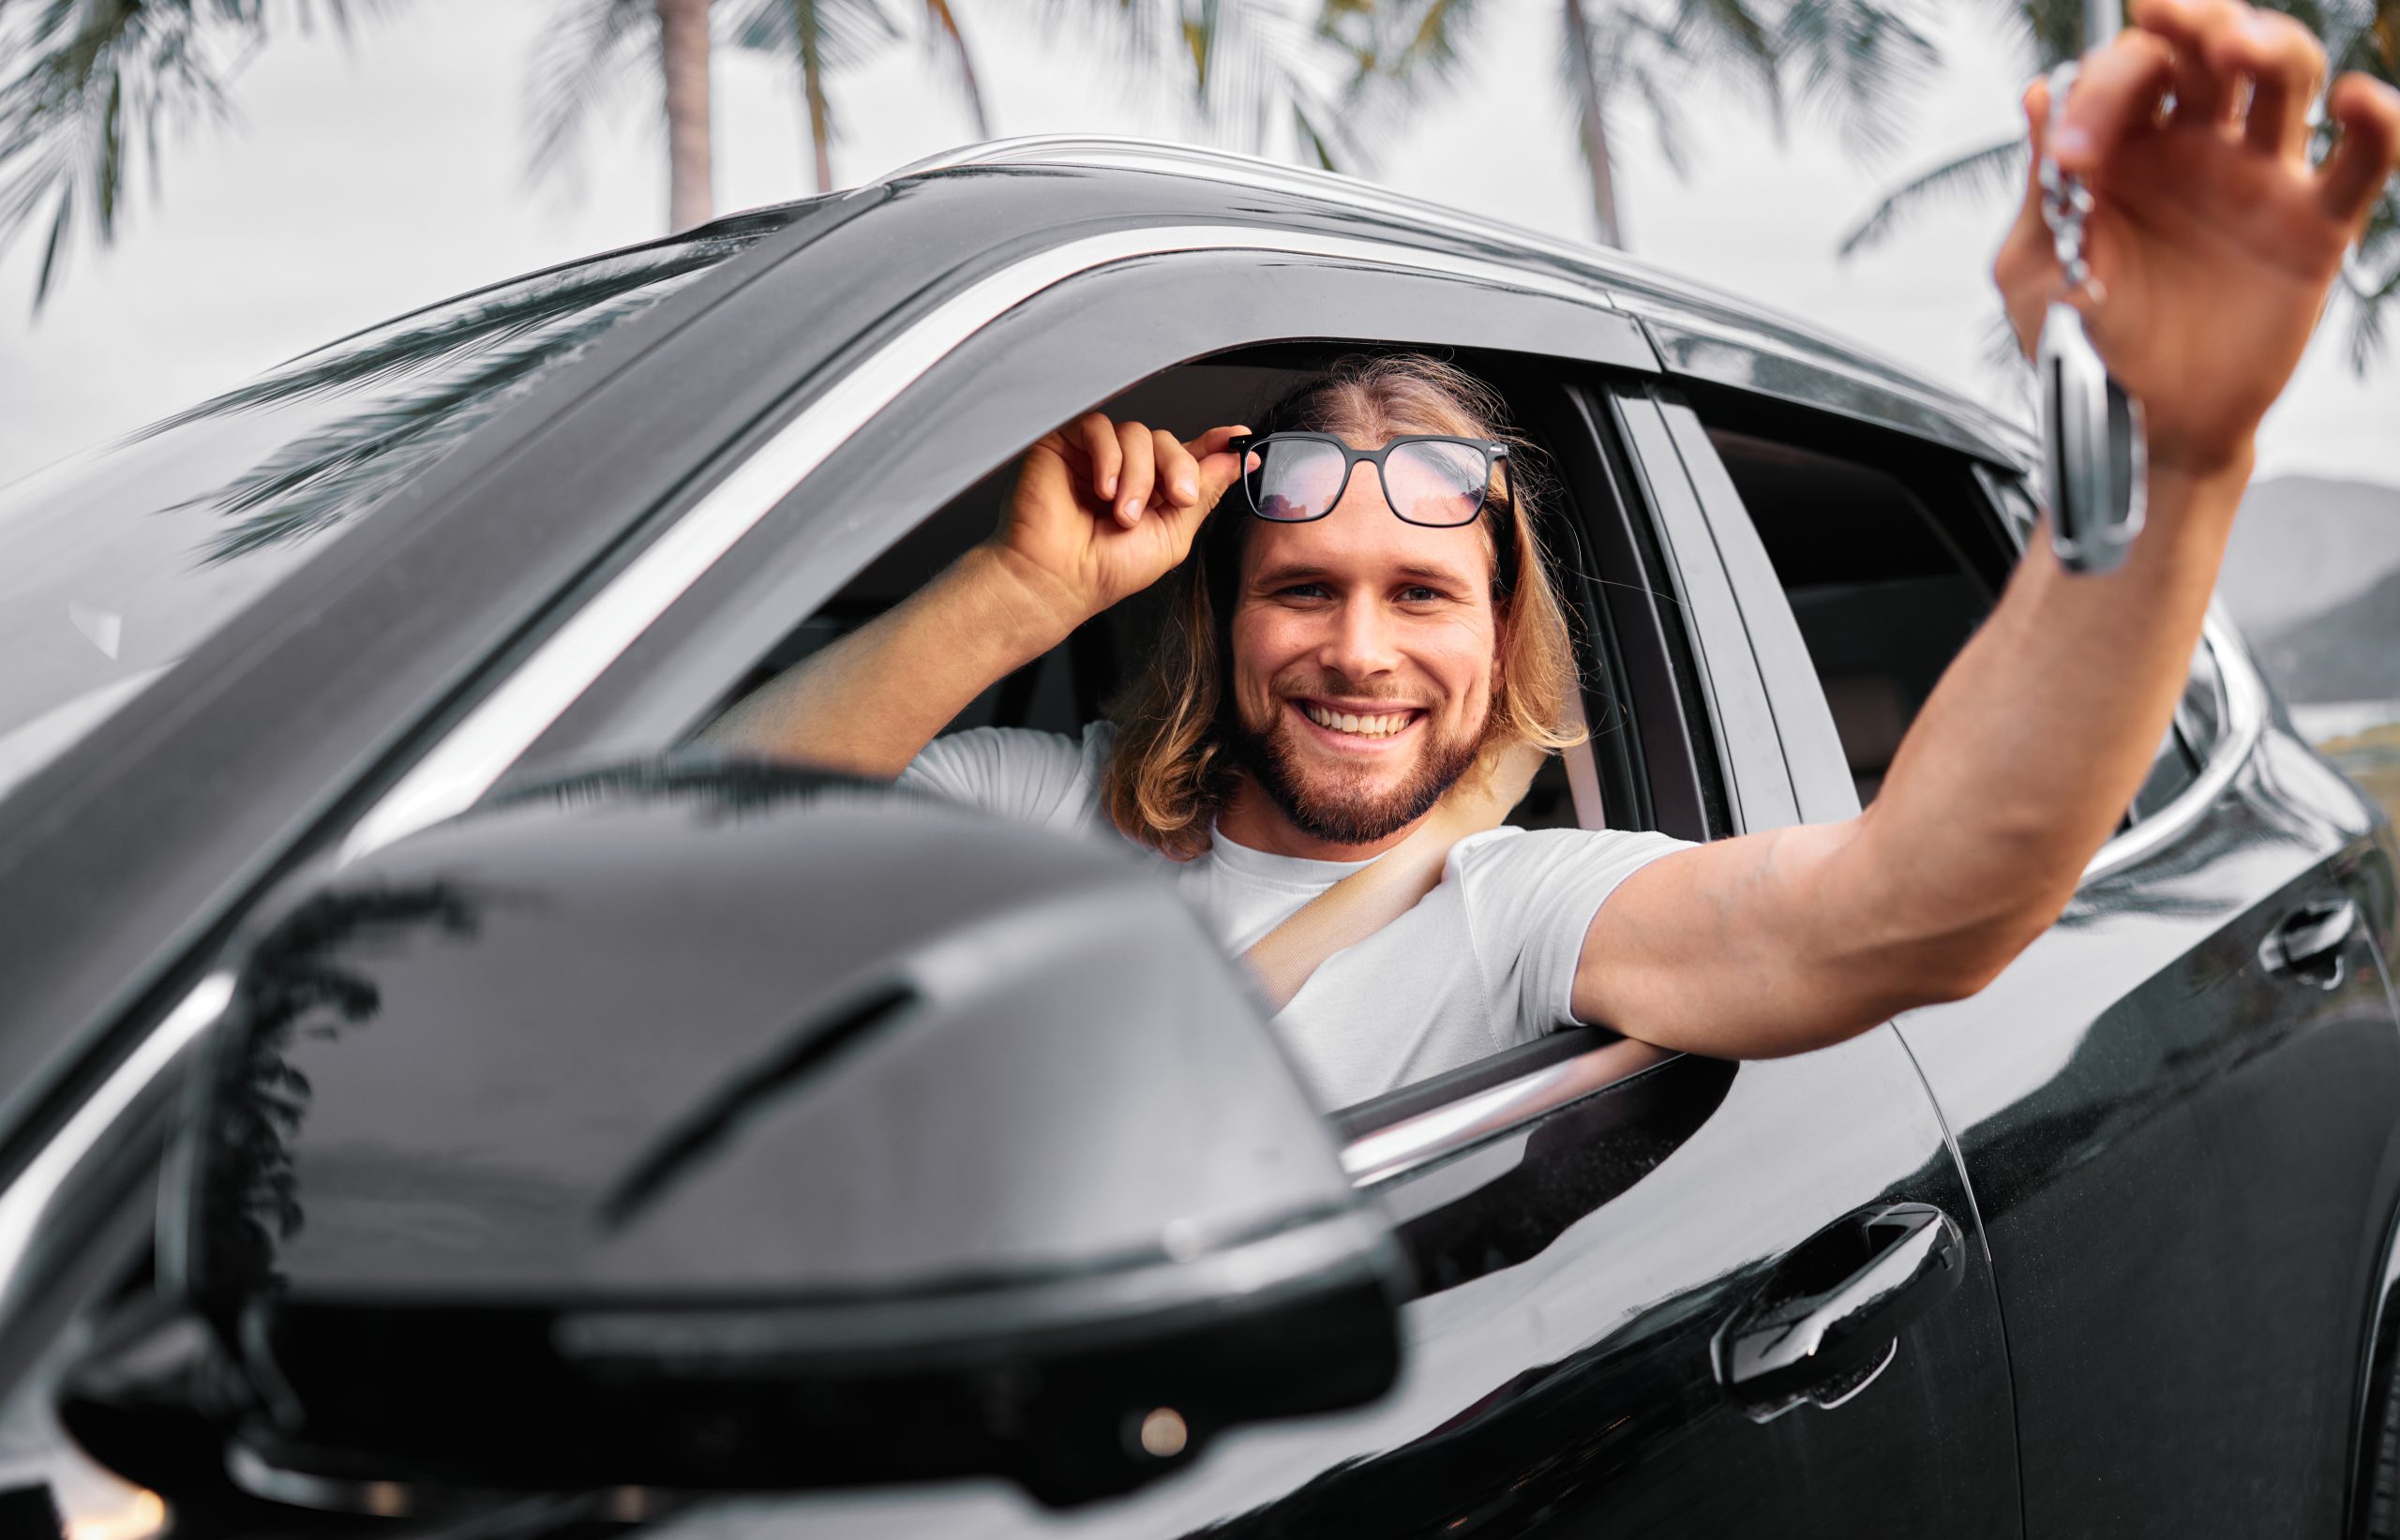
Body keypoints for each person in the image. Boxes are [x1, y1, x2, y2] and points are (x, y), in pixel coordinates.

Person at [706, 0, 2400, 1107]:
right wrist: (1011, 593)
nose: (1360, 648)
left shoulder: (1518, 910)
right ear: (1218, 618)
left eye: (1422, 595)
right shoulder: (1037, 810)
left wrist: (2173, 468)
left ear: (1499, 633)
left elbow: (1913, 910)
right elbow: (671, 845)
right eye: (1302, 589)